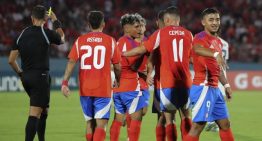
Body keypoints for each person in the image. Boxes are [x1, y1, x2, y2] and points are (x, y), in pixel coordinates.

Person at [122, 6, 193, 141]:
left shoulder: (161, 33)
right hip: (186, 83)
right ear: (178, 19)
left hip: (167, 82)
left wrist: (123, 53)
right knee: (186, 116)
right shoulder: (188, 34)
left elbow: (143, 49)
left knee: (169, 119)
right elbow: (192, 57)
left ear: (166, 20)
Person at [61, 11, 121, 141]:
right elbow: (117, 65)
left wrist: (65, 83)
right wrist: (118, 79)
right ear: (103, 24)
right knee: (101, 124)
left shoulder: (80, 41)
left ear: (88, 25)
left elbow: (71, 61)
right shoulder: (110, 41)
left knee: (89, 122)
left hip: (85, 88)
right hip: (103, 88)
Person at [8, 5, 64, 141]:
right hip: (40, 77)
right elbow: (62, 39)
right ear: (45, 18)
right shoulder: (45, 33)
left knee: (43, 110)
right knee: (35, 113)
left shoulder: (21, 34)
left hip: (26, 77)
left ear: (32, 18)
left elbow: (11, 60)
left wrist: (21, 74)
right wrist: (56, 21)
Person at [183, 8, 234, 141]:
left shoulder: (217, 41)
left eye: (217, 19)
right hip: (203, 88)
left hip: (215, 88)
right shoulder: (200, 37)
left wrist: (227, 85)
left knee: (225, 124)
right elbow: (197, 49)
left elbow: (218, 67)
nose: (215, 22)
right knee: (197, 127)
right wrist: (215, 54)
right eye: (211, 20)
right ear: (203, 22)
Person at [110, 13, 145, 141]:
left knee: (118, 119)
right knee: (136, 119)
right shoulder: (131, 44)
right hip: (130, 86)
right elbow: (134, 67)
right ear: (126, 28)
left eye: (140, 27)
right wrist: (142, 52)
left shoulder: (118, 42)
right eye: (135, 27)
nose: (139, 29)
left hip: (118, 87)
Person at [205, 36, 230, 132]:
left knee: (212, 99)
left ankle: (212, 122)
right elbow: (224, 61)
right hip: (222, 73)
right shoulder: (225, 43)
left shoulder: (208, 41)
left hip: (213, 73)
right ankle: (213, 122)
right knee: (219, 99)